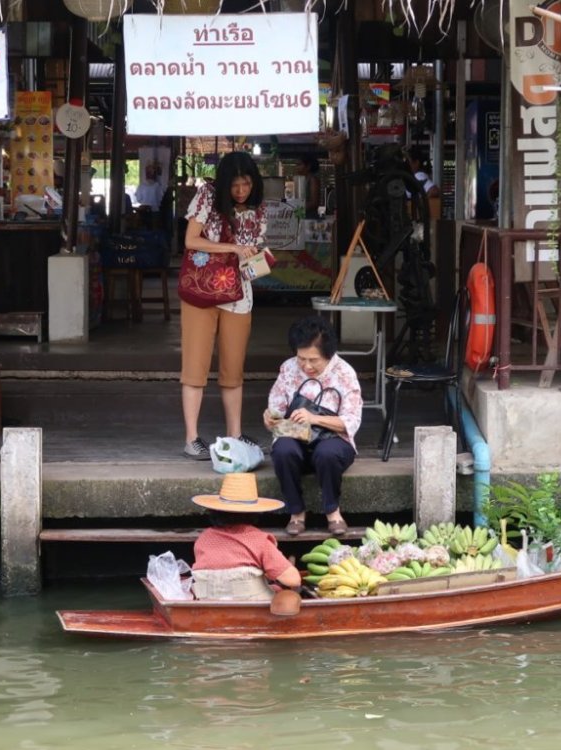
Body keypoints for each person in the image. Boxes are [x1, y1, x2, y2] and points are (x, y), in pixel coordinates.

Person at [181, 151, 266, 460]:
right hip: (201, 293)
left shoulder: (258, 212)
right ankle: (191, 438)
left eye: (246, 184)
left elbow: (252, 260)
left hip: (239, 295)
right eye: (235, 185)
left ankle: (235, 433)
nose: (241, 190)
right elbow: (191, 240)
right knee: (195, 365)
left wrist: (258, 261)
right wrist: (232, 247)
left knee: (234, 368)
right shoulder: (206, 197)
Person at [264, 315, 363, 536]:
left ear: (328, 355)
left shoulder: (344, 373)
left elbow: (352, 421)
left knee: (327, 454)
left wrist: (315, 418)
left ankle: (332, 511)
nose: (306, 366)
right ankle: (296, 512)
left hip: (332, 441)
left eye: (314, 360)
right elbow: (277, 405)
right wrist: (270, 417)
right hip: (296, 438)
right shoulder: (288, 369)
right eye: (301, 358)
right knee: (282, 450)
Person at [191, 472, 301, 601]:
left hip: (208, 603)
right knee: (285, 595)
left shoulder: (203, 538)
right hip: (251, 605)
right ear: (254, 513)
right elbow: (293, 580)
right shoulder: (259, 540)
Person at [296, 154, 322, 219]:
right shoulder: (303, 179)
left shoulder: (313, 179)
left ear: (308, 166)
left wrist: (297, 208)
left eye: (299, 165)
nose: (297, 167)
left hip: (310, 218)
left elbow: (314, 202)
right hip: (303, 216)